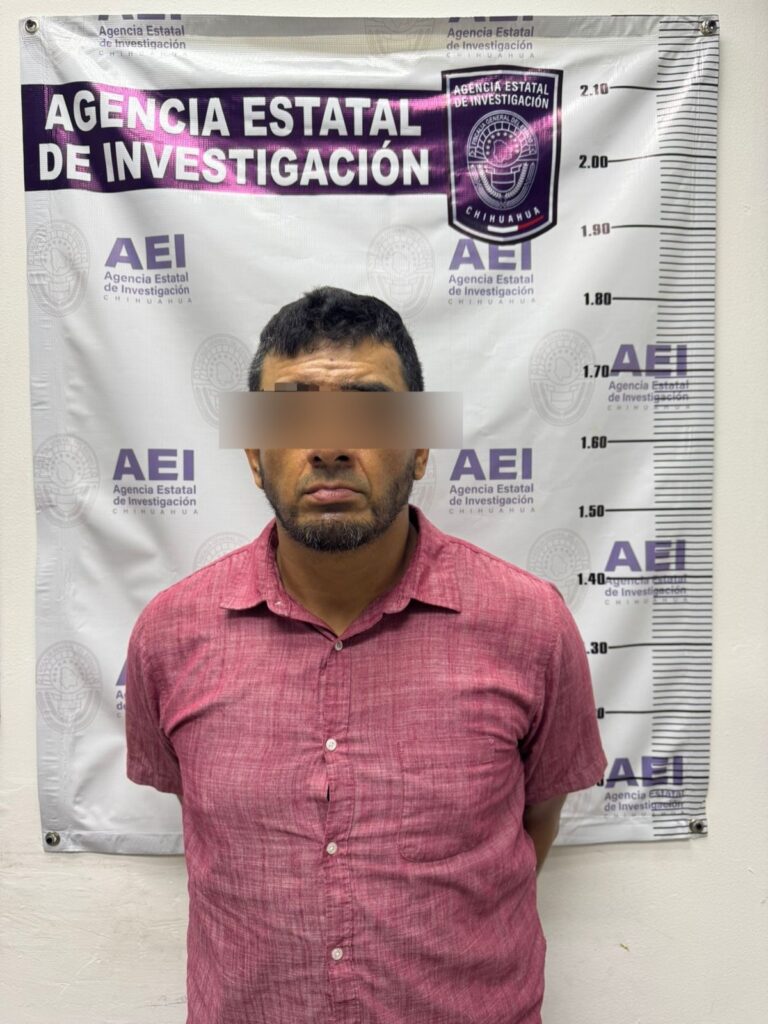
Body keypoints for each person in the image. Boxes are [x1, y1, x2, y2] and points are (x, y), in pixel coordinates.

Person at [125, 285, 607, 1024]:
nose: (329, 446)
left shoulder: (529, 625)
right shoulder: (170, 634)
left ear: (420, 446)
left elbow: (537, 815)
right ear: (253, 454)